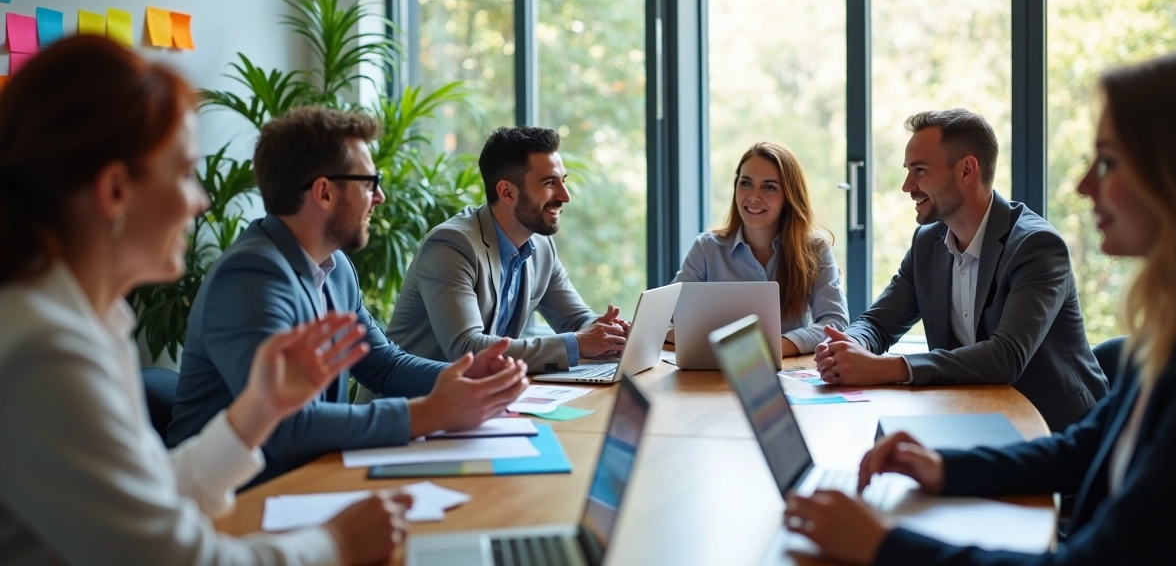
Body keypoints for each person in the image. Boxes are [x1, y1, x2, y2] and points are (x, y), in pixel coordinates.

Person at [786, 48, 1176, 564]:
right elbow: (1083, 448)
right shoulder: (1175, 324)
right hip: (992, 429)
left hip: (1040, 421)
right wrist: (943, 466)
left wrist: (882, 545)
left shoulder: (1039, 246)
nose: (1082, 185)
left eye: (1108, 161)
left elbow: (1008, 358)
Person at [0, 35, 413, 565]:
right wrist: (337, 544)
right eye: (185, 173)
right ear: (115, 191)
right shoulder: (45, 351)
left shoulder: (94, 321)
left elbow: (154, 491)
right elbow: (174, 560)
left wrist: (258, 411)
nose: (202, 201)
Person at [169, 107, 529, 485]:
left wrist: (469, 373)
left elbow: (382, 365)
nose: (380, 197)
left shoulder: (335, 266)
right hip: (238, 497)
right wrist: (432, 413)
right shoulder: (250, 277)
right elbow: (281, 425)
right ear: (324, 192)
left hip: (309, 478)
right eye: (370, 183)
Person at [814, 109, 1107, 431]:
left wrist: (881, 368)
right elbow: (877, 323)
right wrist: (847, 346)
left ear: (966, 170)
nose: (907, 186)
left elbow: (1005, 357)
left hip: (1059, 430)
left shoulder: (1036, 246)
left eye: (920, 171)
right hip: (971, 415)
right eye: (908, 171)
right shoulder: (928, 242)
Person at [386, 126, 629, 374]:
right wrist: (577, 344)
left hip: (486, 392)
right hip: (415, 397)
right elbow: (467, 349)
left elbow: (576, 320)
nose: (565, 196)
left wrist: (612, 332)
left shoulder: (541, 245)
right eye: (549, 183)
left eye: (563, 181)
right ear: (507, 192)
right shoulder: (451, 245)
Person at [673, 141, 848, 356]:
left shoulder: (815, 249)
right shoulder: (706, 249)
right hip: (713, 367)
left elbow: (835, 323)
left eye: (769, 187)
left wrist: (772, 348)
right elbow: (669, 317)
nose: (754, 196)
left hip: (787, 368)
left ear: (788, 197)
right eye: (746, 183)